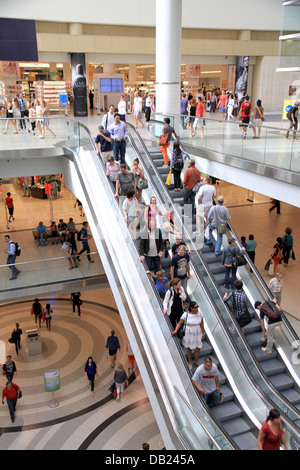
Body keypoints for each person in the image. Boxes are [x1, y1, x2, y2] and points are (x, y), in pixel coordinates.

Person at [171, 301, 205, 370]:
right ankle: (190, 362)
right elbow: (180, 323)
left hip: (197, 332)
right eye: (196, 307)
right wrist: (175, 331)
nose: (197, 308)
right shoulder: (185, 314)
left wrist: (202, 333)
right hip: (188, 332)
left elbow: (202, 324)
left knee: (198, 348)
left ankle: (196, 360)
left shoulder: (200, 314)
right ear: (191, 308)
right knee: (189, 348)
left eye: (198, 307)